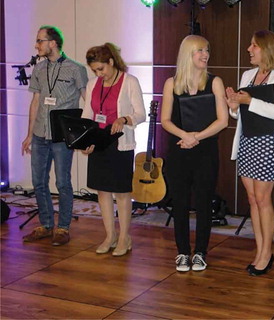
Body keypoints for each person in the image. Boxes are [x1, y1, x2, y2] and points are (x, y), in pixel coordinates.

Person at [226, 30, 274, 276]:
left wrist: (247, 102)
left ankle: (267, 252)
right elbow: (240, 114)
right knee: (253, 199)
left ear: (266, 48)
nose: (249, 49)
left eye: (254, 45)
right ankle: (259, 250)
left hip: (268, 143)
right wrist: (234, 107)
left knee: (263, 199)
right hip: (246, 141)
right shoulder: (248, 74)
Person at [161, 35, 228, 272]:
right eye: (199, 50)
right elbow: (165, 120)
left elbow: (222, 120)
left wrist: (196, 137)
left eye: (207, 50)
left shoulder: (215, 82)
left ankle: (200, 252)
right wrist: (185, 136)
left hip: (206, 151)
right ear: (187, 54)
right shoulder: (172, 83)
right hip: (179, 151)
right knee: (179, 203)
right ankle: (182, 252)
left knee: (203, 203)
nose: (205, 55)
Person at [21, 25, 88, 246]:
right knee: (39, 182)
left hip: (61, 136)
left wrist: (87, 136)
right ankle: (46, 224)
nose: (36, 45)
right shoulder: (39, 69)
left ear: (53, 43)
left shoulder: (76, 69)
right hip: (40, 134)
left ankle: (63, 228)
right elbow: (36, 102)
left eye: (40, 40)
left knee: (63, 182)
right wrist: (29, 133)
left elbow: (86, 101)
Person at [81, 43, 146, 256]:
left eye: (101, 69)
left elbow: (140, 114)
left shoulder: (130, 82)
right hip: (99, 141)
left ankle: (125, 237)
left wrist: (124, 118)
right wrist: (85, 140)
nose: (99, 74)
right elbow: (87, 115)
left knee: (122, 192)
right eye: (95, 71)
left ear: (111, 62)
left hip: (120, 143)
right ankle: (110, 235)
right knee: (102, 191)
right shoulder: (93, 84)